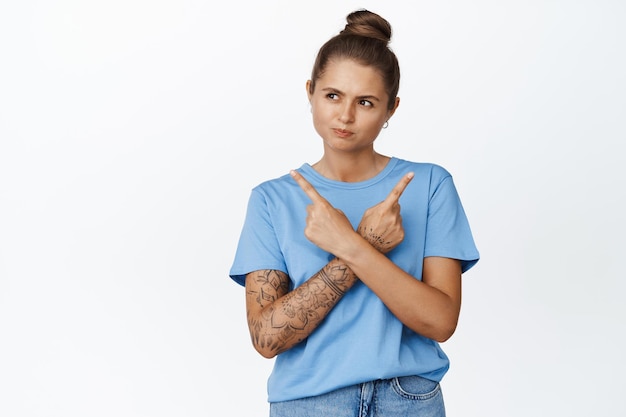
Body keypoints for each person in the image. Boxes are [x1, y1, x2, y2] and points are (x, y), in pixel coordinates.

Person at [229, 9, 479, 417]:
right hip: (308, 403)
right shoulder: (272, 200)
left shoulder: (430, 185)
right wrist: (362, 247)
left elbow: (441, 322)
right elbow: (266, 339)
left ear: (391, 110)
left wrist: (351, 245)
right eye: (332, 96)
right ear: (310, 91)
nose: (345, 116)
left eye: (365, 102)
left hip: (408, 399)